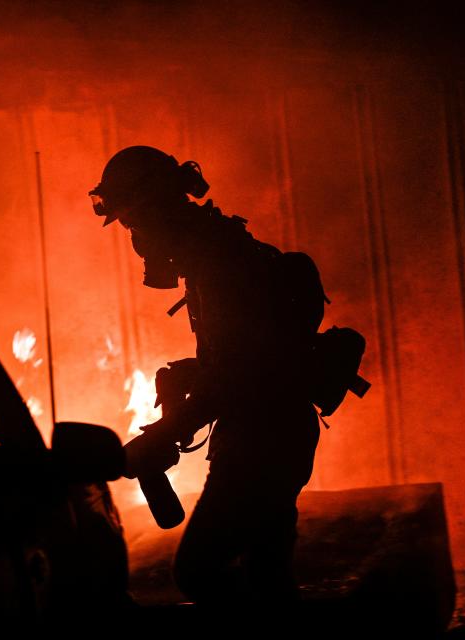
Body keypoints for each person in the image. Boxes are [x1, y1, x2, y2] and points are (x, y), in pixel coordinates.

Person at [88, 146, 326, 611]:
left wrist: (165, 434)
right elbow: (247, 353)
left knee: (199, 571)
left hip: (264, 440)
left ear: (155, 208)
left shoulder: (219, 266)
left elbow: (241, 374)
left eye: (132, 223)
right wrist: (189, 372)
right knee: (267, 576)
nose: (134, 238)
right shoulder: (215, 254)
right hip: (276, 432)